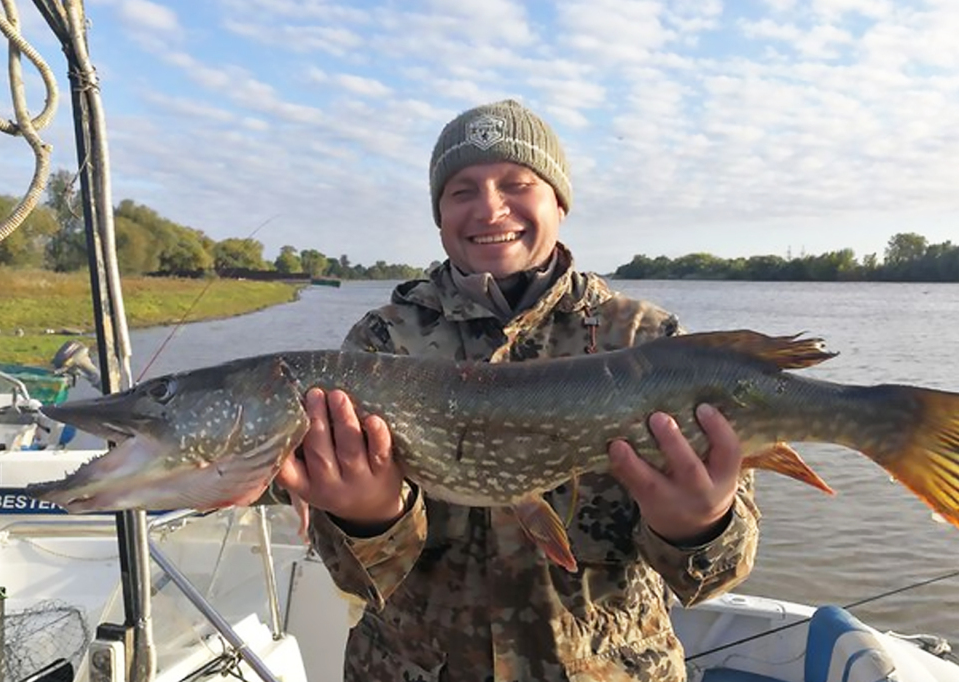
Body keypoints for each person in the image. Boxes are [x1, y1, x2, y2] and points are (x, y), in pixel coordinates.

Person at [272, 99, 760, 682]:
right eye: (462, 191)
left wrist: (701, 524)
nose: (490, 207)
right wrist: (368, 519)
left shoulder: (647, 338)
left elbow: (711, 578)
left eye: (517, 183)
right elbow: (361, 581)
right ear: (438, 213)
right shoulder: (381, 343)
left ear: (559, 201)